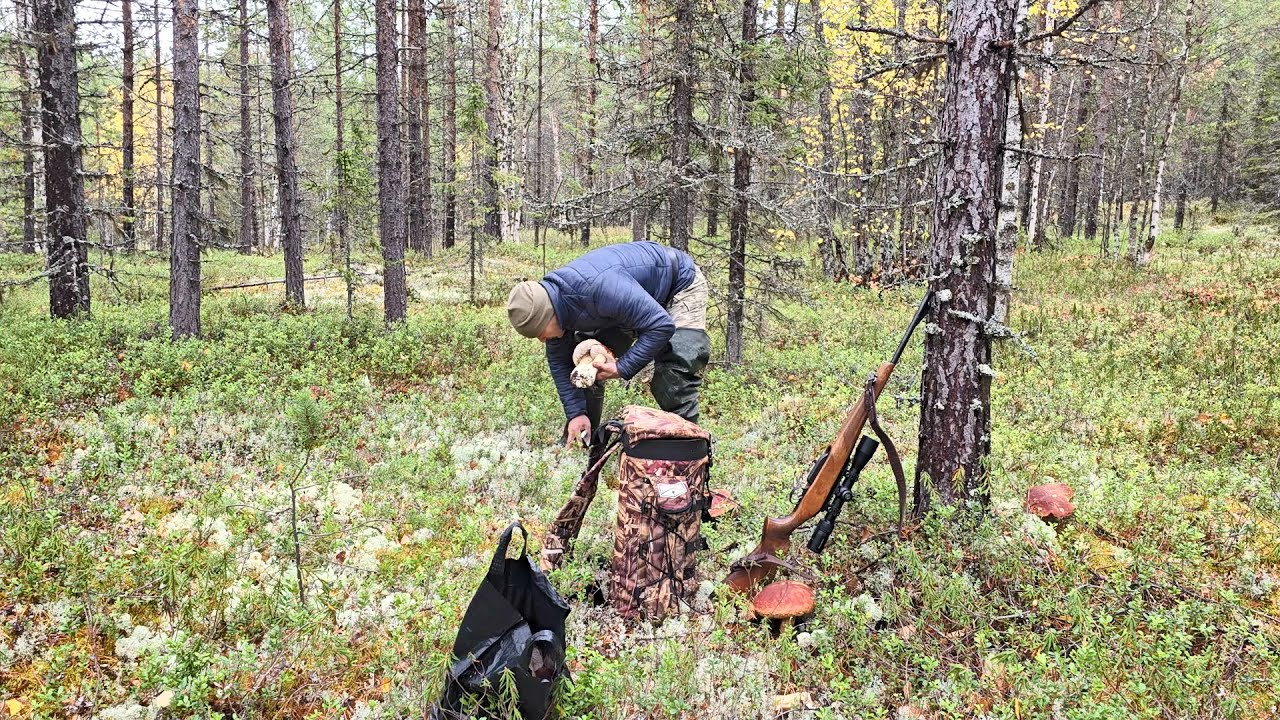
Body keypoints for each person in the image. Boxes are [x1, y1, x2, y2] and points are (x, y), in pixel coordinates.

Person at [506, 241, 710, 447]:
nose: (542, 339)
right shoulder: (555, 303)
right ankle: (585, 439)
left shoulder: (600, 288)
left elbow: (660, 325)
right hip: (627, 305)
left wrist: (622, 367)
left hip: (678, 284)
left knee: (673, 376)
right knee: (586, 367)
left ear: (549, 315)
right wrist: (576, 412)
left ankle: (687, 450)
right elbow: (560, 363)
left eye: (541, 333)